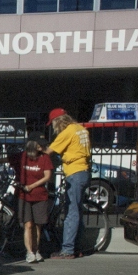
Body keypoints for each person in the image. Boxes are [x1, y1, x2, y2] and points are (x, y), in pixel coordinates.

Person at [44, 108, 91, 259]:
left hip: (74, 172)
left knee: (71, 212)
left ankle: (67, 250)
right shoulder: (81, 129)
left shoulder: (67, 132)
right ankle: (78, 247)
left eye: (53, 124)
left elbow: (48, 152)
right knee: (77, 211)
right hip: (84, 171)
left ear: (58, 122)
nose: (54, 128)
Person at [19, 139, 53, 263]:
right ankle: (29, 252)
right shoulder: (23, 156)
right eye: (40, 144)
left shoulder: (44, 158)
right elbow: (6, 160)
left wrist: (32, 186)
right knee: (28, 224)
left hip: (39, 195)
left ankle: (36, 249)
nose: (43, 146)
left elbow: (47, 176)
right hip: (24, 195)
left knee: (38, 225)